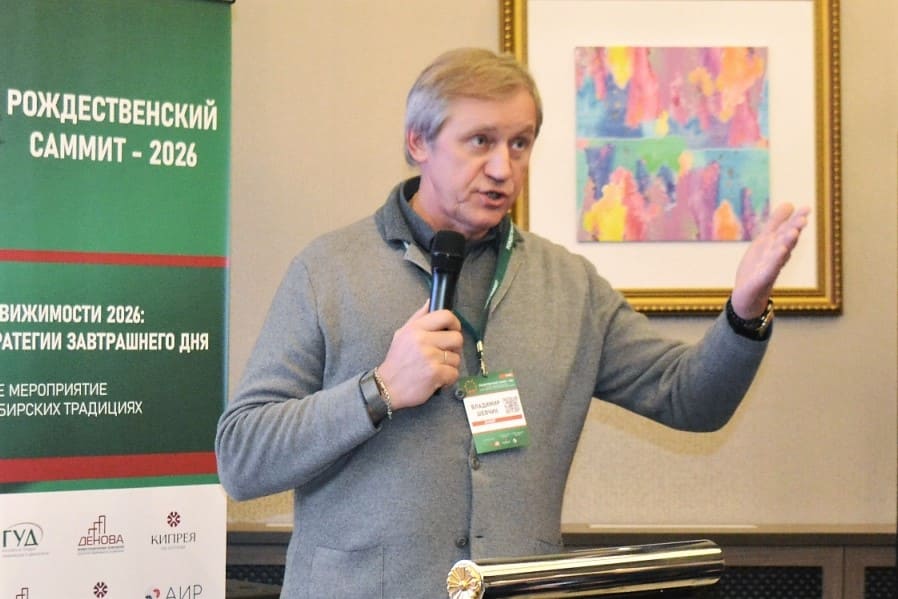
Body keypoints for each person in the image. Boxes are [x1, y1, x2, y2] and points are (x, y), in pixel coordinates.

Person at [216, 47, 809, 598]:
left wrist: (745, 310)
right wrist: (380, 390)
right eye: (481, 141)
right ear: (419, 142)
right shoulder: (329, 271)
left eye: (520, 143)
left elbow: (691, 399)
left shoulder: (570, 285)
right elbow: (242, 459)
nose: (503, 167)